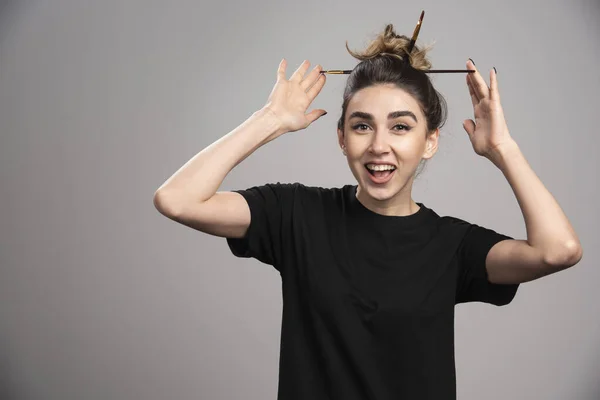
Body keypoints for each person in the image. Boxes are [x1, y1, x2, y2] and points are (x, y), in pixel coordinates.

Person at [153, 24, 582, 400]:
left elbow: (558, 250)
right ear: (342, 138)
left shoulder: (453, 245)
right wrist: (269, 120)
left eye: (400, 126)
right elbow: (178, 199)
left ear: (429, 140)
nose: (379, 145)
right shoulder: (296, 214)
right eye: (362, 126)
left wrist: (503, 150)